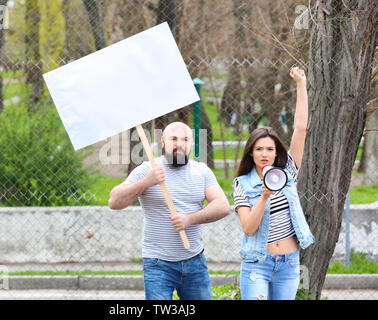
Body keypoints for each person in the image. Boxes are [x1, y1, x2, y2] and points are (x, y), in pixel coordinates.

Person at [108, 121, 231, 300]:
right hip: (158, 263)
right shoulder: (147, 170)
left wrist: (190, 219)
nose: (179, 144)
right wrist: (145, 182)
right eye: (174, 139)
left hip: (195, 260)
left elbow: (222, 206)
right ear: (163, 142)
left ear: (191, 144)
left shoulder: (201, 172)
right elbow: (114, 201)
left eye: (185, 139)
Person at [232, 67, 315, 300]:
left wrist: (301, 85)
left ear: (277, 151)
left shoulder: (287, 172)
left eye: (270, 148)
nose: (264, 153)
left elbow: (300, 128)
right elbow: (248, 228)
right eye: (259, 149)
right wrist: (264, 196)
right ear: (251, 153)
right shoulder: (242, 184)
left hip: (289, 264)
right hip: (257, 263)